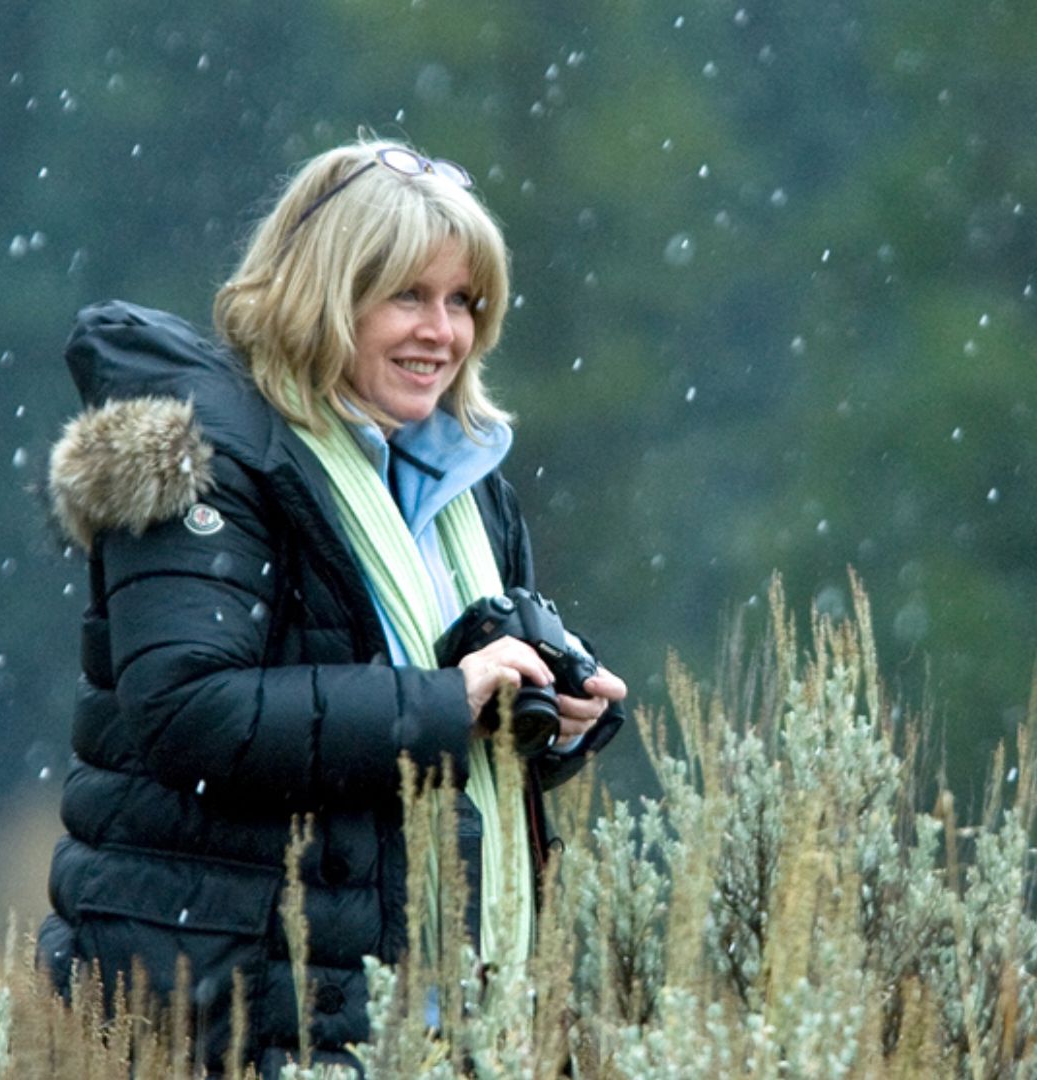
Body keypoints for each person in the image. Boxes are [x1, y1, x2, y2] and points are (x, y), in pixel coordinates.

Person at [37, 136, 627, 1072]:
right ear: (323, 293)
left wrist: (545, 719)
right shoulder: (208, 457)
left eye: (463, 302)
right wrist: (447, 698)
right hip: (236, 1007)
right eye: (407, 295)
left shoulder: (462, 480)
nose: (443, 331)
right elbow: (189, 714)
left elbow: (399, 759)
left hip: (400, 1006)